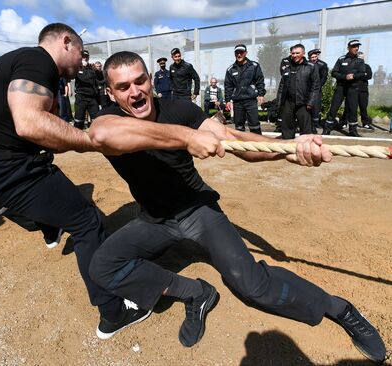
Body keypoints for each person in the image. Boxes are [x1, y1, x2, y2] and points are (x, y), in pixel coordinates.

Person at [87, 51, 386, 362]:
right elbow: (103, 134)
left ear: (150, 80)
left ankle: (339, 308)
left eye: (140, 81)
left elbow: (236, 140)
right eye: (123, 87)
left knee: (252, 287)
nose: (135, 92)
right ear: (110, 93)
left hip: (198, 211)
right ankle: (196, 293)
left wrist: (286, 150)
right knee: (102, 265)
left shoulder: (179, 108)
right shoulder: (107, 120)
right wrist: (187, 137)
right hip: (155, 220)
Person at [0, 23, 140, 338]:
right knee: (87, 222)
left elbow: (44, 136)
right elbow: (29, 124)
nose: (83, 63)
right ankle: (113, 313)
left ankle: (49, 227)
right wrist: (91, 141)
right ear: (66, 42)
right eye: (82, 54)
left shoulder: (21, 62)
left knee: (52, 191)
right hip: (4, 170)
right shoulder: (38, 60)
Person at [276, 44, 319, 139]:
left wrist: (310, 102)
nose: (295, 55)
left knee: (306, 131)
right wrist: (279, 102)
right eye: (293, 53)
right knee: (287, 129)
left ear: (303, 53)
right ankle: (288, 149)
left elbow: (315, 86)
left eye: (297, 53)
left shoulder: (311, 67)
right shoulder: (287, 67)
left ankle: (305, 150)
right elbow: (281, 86)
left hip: (303, 103)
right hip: (288, 102)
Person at [323, 40, 365, 137]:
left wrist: (354, 76)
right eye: (354, 46)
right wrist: (344, 76)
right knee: (334, 108)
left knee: (352, 109)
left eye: (357, 46)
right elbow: (334, 72)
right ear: (348, 48)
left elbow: (362, 73)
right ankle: (327, 129)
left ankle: (353, 131)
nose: (356, 48)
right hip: (341, 87)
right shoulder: (341, 59)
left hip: (353, 88)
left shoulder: (360, 61)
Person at [224, 44, 265, 134]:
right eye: (237, 53)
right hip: (238, 101)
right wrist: (227, 100)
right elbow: (228, 86)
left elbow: (260, 81)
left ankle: (258, 144)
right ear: (235, 54)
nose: (239, 55)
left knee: (254, 124)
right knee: (238, 126)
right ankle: (241, 146)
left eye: (241, 52)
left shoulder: (254, 66)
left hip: (251, 100)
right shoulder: (230, 69)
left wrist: (261, 94)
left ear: (246, 53)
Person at [73, 50, 99, 130]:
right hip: (81, 98)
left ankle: (97, 139)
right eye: (83, 56)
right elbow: (83, 79)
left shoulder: (92, 68)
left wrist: (96, 71)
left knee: (97, 120)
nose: (84, 58)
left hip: (92, 98)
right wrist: (80, 67)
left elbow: (99, 80)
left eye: (86, 56)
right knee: (79, 120)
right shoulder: (76, 68)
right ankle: (76, 140)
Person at [308, 48, 328, 132]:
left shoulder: (322, 65)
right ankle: (307, 122)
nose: (314, 59)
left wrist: (318, 87)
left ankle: (316, 123)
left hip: (317, 89)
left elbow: (324, 77)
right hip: (307, 88)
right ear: (309, 57)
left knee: (316, 106)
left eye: (315, 57)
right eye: (312, 57)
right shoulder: (306, 64)